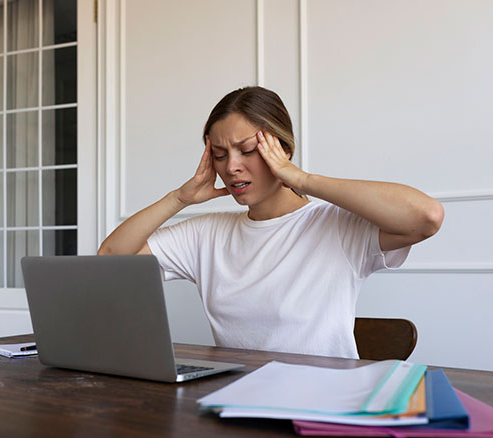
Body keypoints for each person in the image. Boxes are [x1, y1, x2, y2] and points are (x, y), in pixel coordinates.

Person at [97, 86, 444, 359]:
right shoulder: (207, 234)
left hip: (322, 408)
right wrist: (179, 199)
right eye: (220, 155)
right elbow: (111, 259)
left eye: (247, 150)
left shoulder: (334, 226)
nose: (231, 167)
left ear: (283, 150)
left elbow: (426, 216)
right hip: (239, 407)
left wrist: (303, 179)